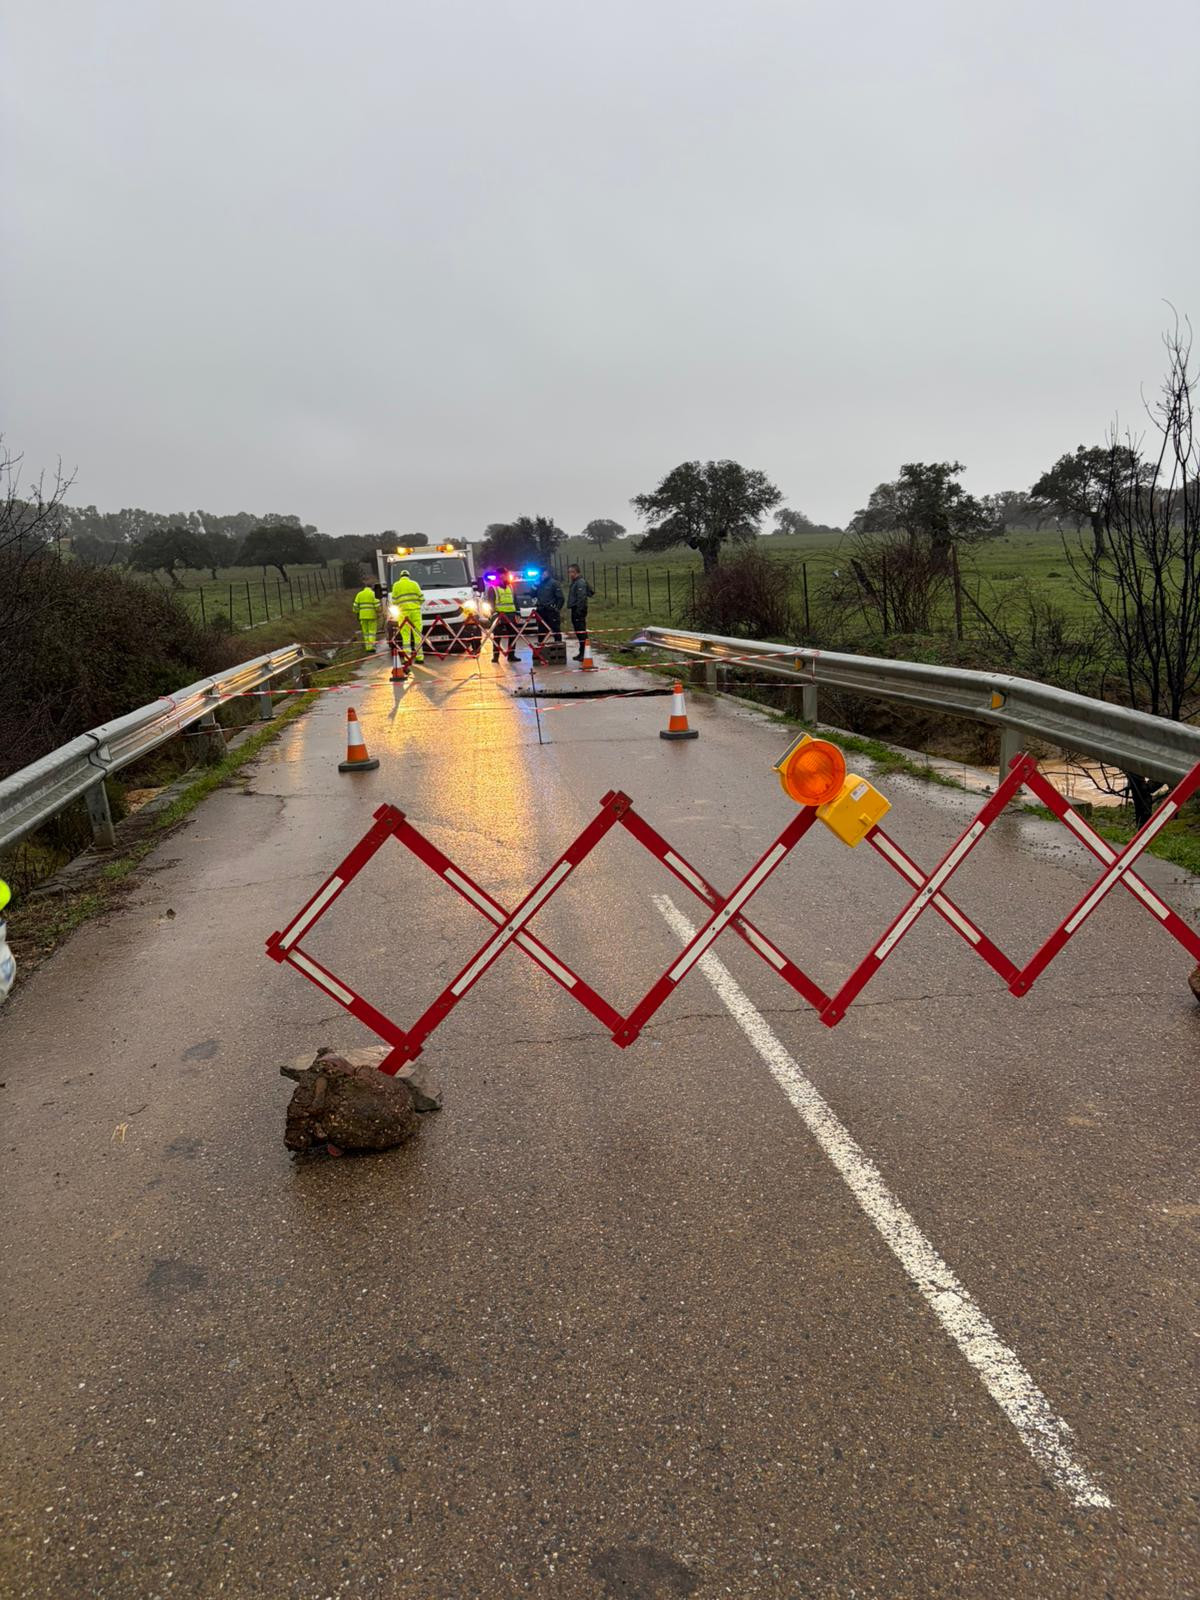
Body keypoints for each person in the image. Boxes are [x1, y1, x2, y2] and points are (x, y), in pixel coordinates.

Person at [390, 568, 424, 663]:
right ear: (408, 576)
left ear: (400, 577)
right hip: (415, 612)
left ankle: (407, 658)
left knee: (405, 636)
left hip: (403, 613)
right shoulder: (414, 584)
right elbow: (422, 598)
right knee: (417, 635)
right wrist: (416, 605)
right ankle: (420, 658)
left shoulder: (396, 585)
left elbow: (394, 601)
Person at [532, 570, 564, 662]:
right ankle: (541, 653)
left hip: (551, 611)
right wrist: (535, 585)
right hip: (541, 611)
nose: (542, 575)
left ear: (548, 573)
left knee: (556, 630)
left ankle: (558, 653)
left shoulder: (554, 583)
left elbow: (560, 598)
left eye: (544, 573)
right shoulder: (538, 583)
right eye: (541, 574)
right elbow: (531, 594)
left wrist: (557, 609)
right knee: (541, 632)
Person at [488, 573, 519, 663]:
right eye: (504, 575)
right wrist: (494, 614)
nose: (506, 577)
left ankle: (511, 655)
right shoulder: (493, 588)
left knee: (513, 635)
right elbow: (491, 602)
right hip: (499, 615)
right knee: (497, 636)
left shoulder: (510, 586)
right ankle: (496, 656)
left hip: (511, 614)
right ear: (500, 576)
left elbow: (515, 600)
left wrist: (518, 611)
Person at [566, 564, 594, 660]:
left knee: (581, 632)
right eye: (569, 572)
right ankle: (581, 652)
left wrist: (579, 610)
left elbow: (581, 598)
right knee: (578, 632)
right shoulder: (575, 582)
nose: (570, 574)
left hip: (579, 610)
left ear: (576, 572)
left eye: (571, 572)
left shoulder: (580, 583)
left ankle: (584, 653)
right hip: (575, 609)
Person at [352, 583, 381, 651]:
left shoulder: (359, 594)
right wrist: (379, 612)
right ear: (371, 587)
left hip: (362, 616)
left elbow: (355, 606)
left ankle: (367, 647)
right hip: (372, 616)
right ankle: (371, 646)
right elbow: (377, 606)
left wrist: (357, 612)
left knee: (366, 632)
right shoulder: (373, 594)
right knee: (372, 632)